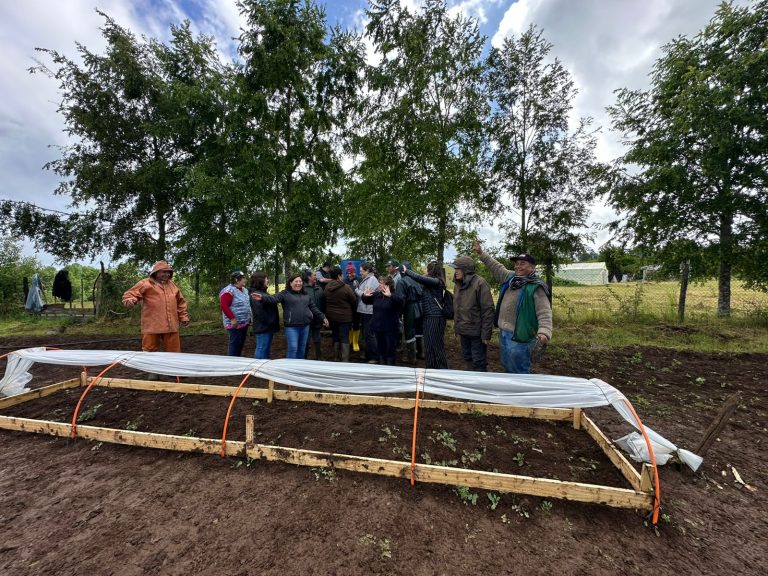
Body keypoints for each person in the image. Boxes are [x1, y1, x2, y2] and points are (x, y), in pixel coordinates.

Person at [473, 240, 552, 374]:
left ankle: (521, 394)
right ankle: (511, 392)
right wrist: (481, 252)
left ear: (532, 268)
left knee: (519, 369)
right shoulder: (510, 278)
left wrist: (544, 331)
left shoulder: (536, 287)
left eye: (522, 264)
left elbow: (544, 311)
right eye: (516, 263)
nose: (518, 266)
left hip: (520, 336)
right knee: (507, 365)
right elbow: (496, 266)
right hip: (504, 333)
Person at [122, 261, 190, 377]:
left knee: (174, 350)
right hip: (152, 325)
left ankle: (175, 371)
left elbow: (180, 302)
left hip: (171, 325)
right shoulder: (145, 284)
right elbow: (130, 294)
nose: (167, 274)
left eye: (169, 272)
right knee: (150, 349)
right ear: (156, 272)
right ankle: (152, 372)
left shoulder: (172, 285)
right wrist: (130, 301)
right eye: (164, 272)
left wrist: (183, 316)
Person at [252, 273, 328, 359]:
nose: (298, 283)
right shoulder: (285, 293)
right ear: (291, 283)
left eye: (300, 281)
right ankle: (289, 368)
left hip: (305, 326)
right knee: (293, 348)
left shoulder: (305, 294)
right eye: (296, 281)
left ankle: (298, 367)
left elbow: (314, 308)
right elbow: (273, 299)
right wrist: (263, 298)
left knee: (301, 349)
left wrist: (323, 317)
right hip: (292, 327)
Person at [450, 255, 494, 372]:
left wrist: (486, 334)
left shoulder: (480, 283)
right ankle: (471, 384)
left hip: (477, 334)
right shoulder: (457, 285)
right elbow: (458, 308)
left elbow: (488, 310)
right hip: (463, 331)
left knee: (478, 362)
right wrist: (457, 328)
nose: (455, 272)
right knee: (467, 358)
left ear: (466, 270)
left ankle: (480, 386)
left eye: (457, 269)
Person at [403, 260, 448, 369]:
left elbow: (420, 278)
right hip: (428, 316)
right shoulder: (430, 283)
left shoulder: (438, 281)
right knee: (429, 346)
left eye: (427, 269)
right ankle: (431, 369)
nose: (426, 271)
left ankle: (442, 371)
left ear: (431, 270)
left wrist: (407, 271)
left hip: (435, 317)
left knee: (436, 347)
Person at [361, 275, 403, 365]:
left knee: (390, 349)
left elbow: (401, 302)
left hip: (391, 329)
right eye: (379, 282)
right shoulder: (377, 295)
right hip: (378, 328)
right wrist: (364, 295)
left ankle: (390, 368)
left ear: (388, 285)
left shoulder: (395, 295)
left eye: (381, 283)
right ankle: (382, 366)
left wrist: (390, 295)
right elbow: (366, 301)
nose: (379, 285)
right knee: (381, 349)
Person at [323, 266, 358, 362]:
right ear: (339, 276)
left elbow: (324, 300)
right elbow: (354, 301)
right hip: (345, 318)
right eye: (342, 274)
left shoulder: (327, 287)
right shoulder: (346, 288)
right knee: (344, 337)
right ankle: (345, 360)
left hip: (331, 317)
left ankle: (335, 357)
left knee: (335, 335)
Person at [219, 270, 253, 357]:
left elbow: (247, 304)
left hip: (244, 323)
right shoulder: (228, 290)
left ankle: (237, 361)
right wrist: (232, 319)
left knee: (240, 344)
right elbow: (224, 306)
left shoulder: (244, 290)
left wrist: (250, 318)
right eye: (243, 278)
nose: (245, 280)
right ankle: (232, 364)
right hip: (235, 324)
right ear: (237, 280)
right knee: (234, 345)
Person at [249, 271, 280, 359]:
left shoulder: (263, 293)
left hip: (267, 327)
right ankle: (256, 369)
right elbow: (259, 313)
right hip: (263, 327)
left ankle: (263, 368)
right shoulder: (256, 294)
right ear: (260, 280)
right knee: (262, 348)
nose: (268, 281)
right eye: (266, 279)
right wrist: (271, 322)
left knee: (265, 349)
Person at [399, 260, 424, 363]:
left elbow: (401, 300)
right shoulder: (417, 279)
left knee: (410, 332)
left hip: (410, 308)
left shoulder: (402, 281)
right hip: (420, 307)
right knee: (419, 330)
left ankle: (411, 358)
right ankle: (421, 353)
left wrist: (399, 313)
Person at [355, 263, 380, 363]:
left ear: (367, 271)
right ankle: (368, 354)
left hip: (369, 311)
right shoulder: (367, 279)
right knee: (366, 334)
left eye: (361, 271)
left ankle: (374, 357)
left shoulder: (372, 280)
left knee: (370, 334)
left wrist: (356, 289)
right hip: (365, 310)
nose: (360, 273)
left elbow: (366, 295)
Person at [302, 269, 325, 360]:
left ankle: (319, 357)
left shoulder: (319, 288)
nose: (316, 277)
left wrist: (323, 316)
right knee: (306, 339)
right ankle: (304, 358)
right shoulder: (302, 289)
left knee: (317, 338)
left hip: (318, 318)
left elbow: (323, 303)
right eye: (314, 275)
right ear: (308, 277)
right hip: (306, 319)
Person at [344, 263, 361, 352]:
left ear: (355, 271)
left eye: (352, 272)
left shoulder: (359, 279)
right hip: (347, 306)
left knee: (356, 324)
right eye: (349, 273)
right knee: (349, 323)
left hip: (358, 305)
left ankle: (355, 342)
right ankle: (350, 339)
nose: (350, 274)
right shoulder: (345, 280)